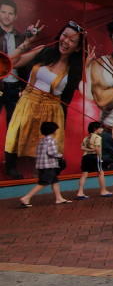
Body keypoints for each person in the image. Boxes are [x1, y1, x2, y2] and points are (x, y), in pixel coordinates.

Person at [3, 21, 86, 180]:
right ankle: (11, 168)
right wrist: (27, 42)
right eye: (64, 35)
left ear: (78, 47)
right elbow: (11, 63)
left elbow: (70, 96)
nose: (66, 41)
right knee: (15, 138)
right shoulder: (44, 51)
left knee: (45, 152)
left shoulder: (74, 69)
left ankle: (43, 182)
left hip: (51, 110)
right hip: (27, 104)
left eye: (72, 40)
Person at [1, 0, 42, 178]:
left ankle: (10, 166)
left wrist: (24, 87)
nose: (6, 16)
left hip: (14, 87)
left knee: (14, 128)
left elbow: (26, 64)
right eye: (3, 12)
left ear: (15, 16)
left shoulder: (20, 36)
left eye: (10, 13)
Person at [18, 121, 69, 206]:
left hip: (41, 165)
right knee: (43, 182)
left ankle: (59, 198)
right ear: (53, 131)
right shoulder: (51, 140)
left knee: (54, 181)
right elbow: (52, 153)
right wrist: (60, 155)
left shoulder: (42, 140)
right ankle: (26, 198)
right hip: (48, 165)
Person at [76, 121, 112, 199]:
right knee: (100, 173)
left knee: (84, 174)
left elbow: (82, 147)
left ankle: (80, 192)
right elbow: (98, 149)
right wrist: (100, 157)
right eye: (100, 128)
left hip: (85, 157)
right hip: (95, 157)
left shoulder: (86, 138)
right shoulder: (98, 137)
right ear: (96, 129)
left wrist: (89, 149)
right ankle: (103, 191)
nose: (102, 129)